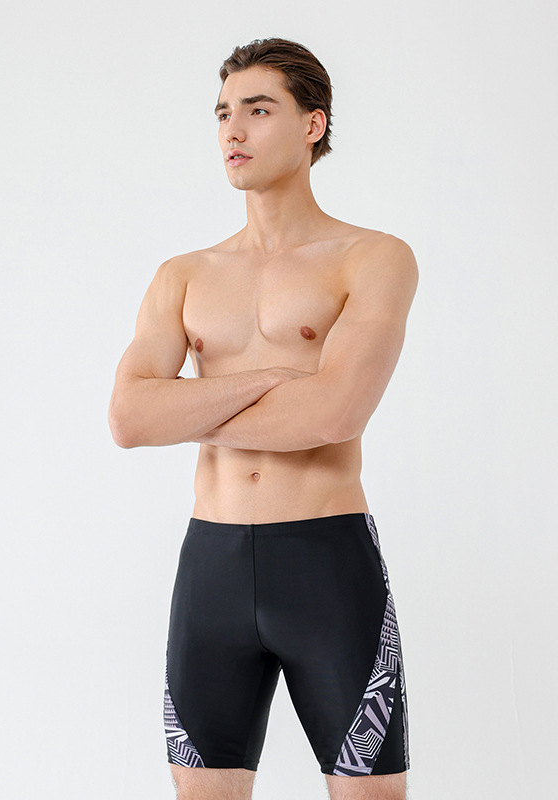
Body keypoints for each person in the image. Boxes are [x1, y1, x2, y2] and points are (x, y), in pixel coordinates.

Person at [108, 37, 419, 800]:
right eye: (222, 114)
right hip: (209, 567)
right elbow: (129, 417)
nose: (233, 131)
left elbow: (335, 413)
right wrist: (278, 380)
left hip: (326, 564)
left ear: (313, 124)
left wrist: (185, 406)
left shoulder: (371, 258)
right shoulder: (184, 276)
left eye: (257, 110)